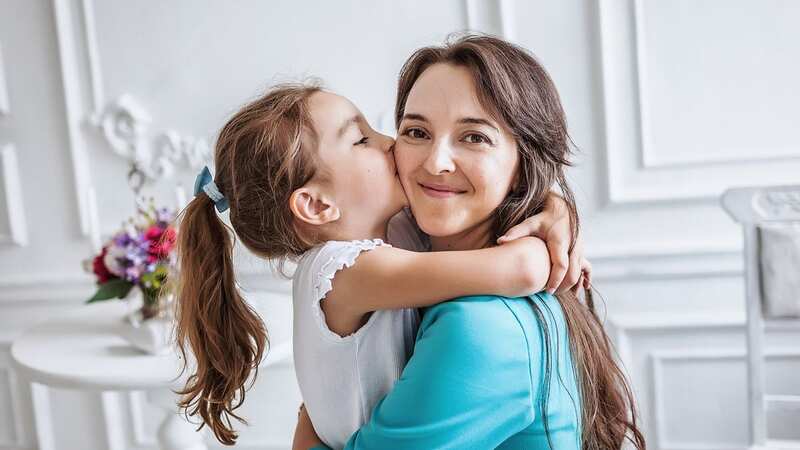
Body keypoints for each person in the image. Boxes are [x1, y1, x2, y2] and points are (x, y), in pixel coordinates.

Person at [171, 81, 585, 445]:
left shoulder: (387, 237)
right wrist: (542, 243)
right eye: (361, 139)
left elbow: (472, 196)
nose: (389, 142)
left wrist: (553, 207)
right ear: (317, 204)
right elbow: (527, 270)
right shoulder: (345, 269)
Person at [293, 34, 645, 450]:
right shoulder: (408, 241)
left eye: (474, 137)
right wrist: (555, 208)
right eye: (416, 131)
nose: (435, 162)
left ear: (523, 165)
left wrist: (309, 426)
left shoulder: (480, 328)